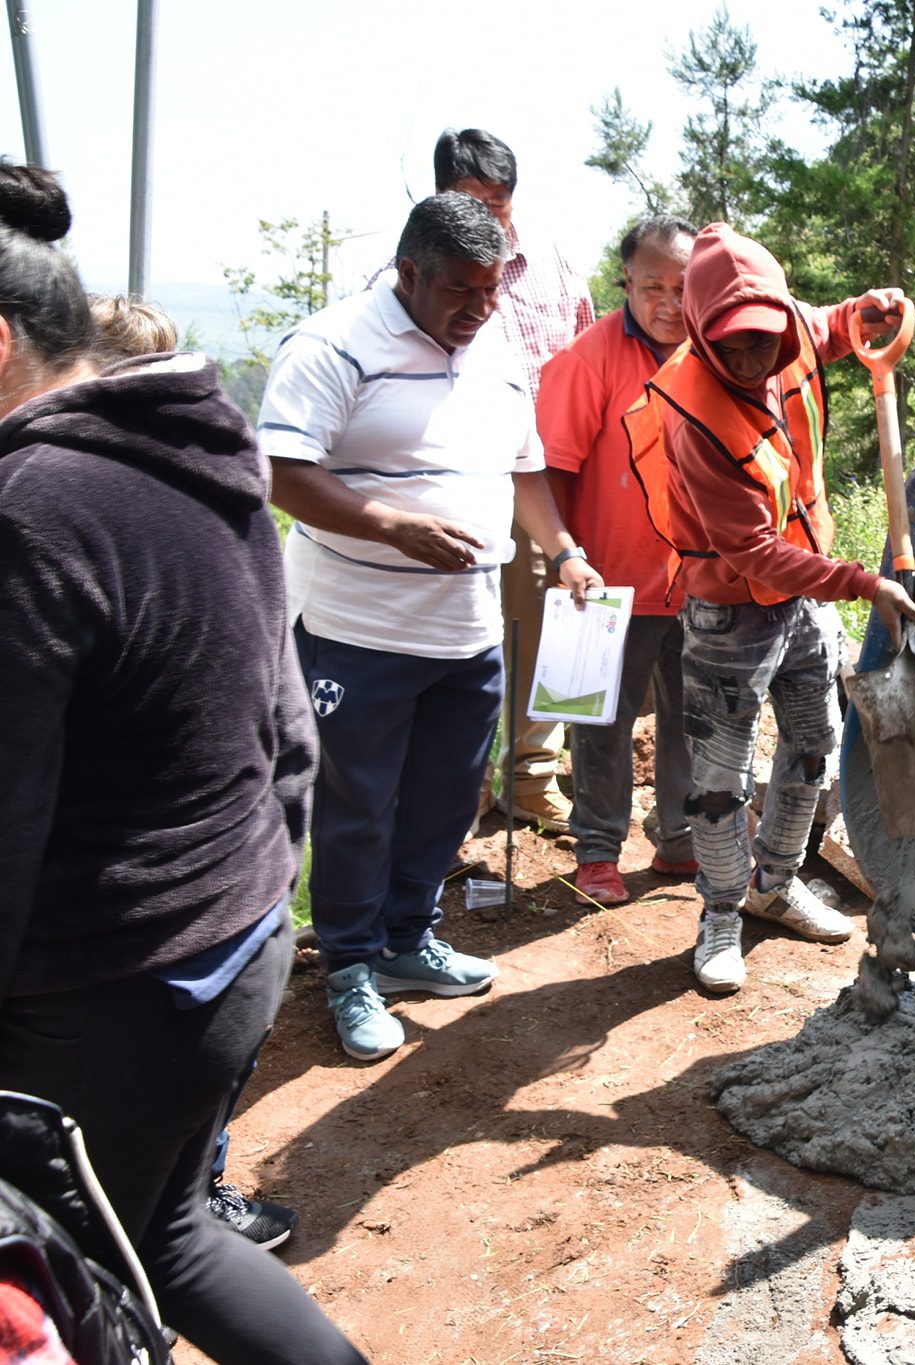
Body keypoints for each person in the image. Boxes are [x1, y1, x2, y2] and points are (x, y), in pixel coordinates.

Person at [0, 225, 366, 1363]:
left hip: (109, 981)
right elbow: (285, 715)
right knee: (159, 1234)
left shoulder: (29, 506)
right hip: (229, 942)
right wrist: (265, 893)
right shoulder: (193, 456)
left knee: (58, 1275)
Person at [260, 192, 603, 1062]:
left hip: (465, 633)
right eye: (459, 290)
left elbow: (526, 471)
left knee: (446, 797)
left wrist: (562, 552)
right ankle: (347, 965)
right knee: (357, 804)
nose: (480, 308)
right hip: (356, 631)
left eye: (491, 290)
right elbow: (281, 472)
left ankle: (409, 938)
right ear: (408, 272)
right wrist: (392, 525)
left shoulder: (494, 353)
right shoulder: (331, 344)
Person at [634, 222, 915, 994]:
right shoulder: (694, 417)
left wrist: (865, 310)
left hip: (804, 599)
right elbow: (754, 552)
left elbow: (823, 329)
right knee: (722, 774)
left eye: (765, 342)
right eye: (733, 348)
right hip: (733, 608)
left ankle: (775, 882)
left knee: (816, 741)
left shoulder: (781, 330)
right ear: (701, 331)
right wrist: (861, 582)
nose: (754, 360)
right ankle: (721, 912)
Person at [89, 290, 297, 1252]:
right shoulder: (225, 496)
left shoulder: (64, 509)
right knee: (169, 1224)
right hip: (229, 890)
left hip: (126, 909)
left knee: (135, 1218)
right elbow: (289, 730)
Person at [437, 127, 598, 834]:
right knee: (459, 637)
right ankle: (456, 792)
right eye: (470, 203)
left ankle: (534, 777)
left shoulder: (556, 268)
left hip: (544, 482)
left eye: (497, 203)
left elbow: (592, 364)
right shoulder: (405, 277)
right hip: (448, 484)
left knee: (554, 626)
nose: (486, 219)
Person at [538, 215, 701, 906]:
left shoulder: (714, 351)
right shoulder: (587, 358)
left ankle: (681, 835)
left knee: (694, 715)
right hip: (606, 577)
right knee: (598, 719)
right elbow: (548, 469)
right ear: (626, 282)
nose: (669, 303)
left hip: (699, 575)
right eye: (652, 286)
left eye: (684, 287)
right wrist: (563, 554)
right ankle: (598, 849)